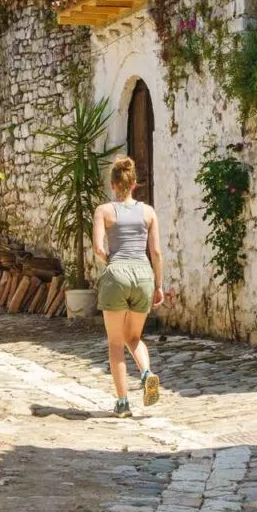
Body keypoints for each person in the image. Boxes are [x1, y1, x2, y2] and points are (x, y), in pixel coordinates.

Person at [93, 156, 164, 418]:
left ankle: (123, 403)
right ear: (134, 184)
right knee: (133, 337)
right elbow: (156, 252)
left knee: (115, 343)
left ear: (113, 185)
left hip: (117, 273)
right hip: (144, 275)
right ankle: (146, 373)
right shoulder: (148, 212)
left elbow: (99, 248)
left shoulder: (104, 211)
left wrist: (111, 262)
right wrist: (159, 285)